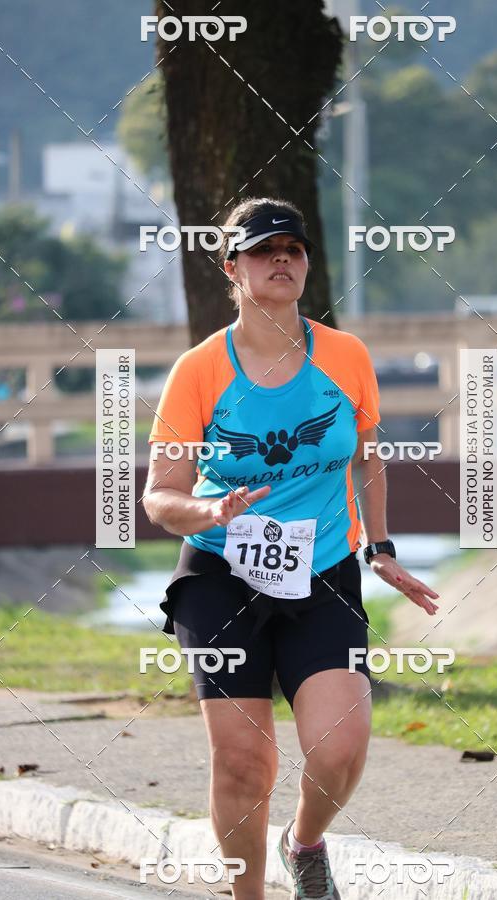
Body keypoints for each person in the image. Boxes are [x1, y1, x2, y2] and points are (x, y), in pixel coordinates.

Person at [142, 197, 440, 900]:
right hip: (221, 573)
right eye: (263, 249)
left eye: (294, 248)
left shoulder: (346, 355)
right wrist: (209, 508)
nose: (282, 259)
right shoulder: (199, 370)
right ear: (232, 268)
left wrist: (381, 547)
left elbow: (367, 456)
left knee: (340, 748)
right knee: (244, 763)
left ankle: (304, 844)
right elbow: (160, 495)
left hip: (324, 575)